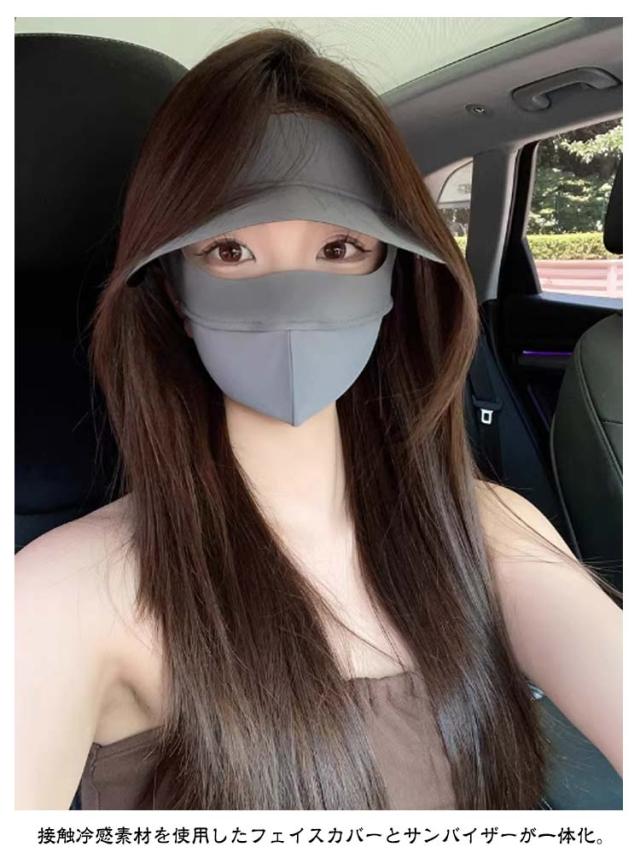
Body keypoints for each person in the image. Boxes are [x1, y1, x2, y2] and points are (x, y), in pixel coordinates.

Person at [15, 29, 622, 811]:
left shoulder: (490, 532)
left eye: (339, 248)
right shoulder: (69, 592)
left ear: (394, 276)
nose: (290, 301)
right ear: (171, 289)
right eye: (229, 251)